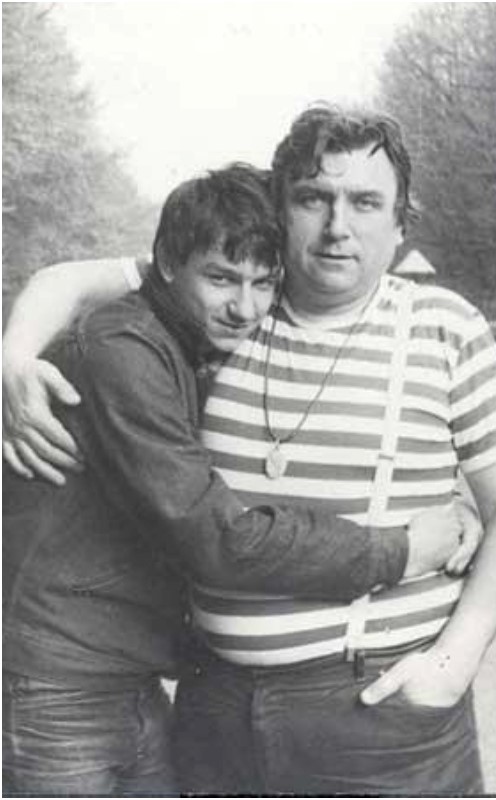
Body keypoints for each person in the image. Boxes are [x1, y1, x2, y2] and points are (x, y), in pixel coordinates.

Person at [4, 107, 495, 795]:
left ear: (400, 223)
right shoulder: (233, 297)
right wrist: (13, 353)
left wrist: (452, 663)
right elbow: (74, 278)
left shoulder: (443, 326)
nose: (338, 226)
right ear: (280, 208)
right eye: (314, 198)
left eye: (365, 202)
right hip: (216, 713)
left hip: (379, 718)